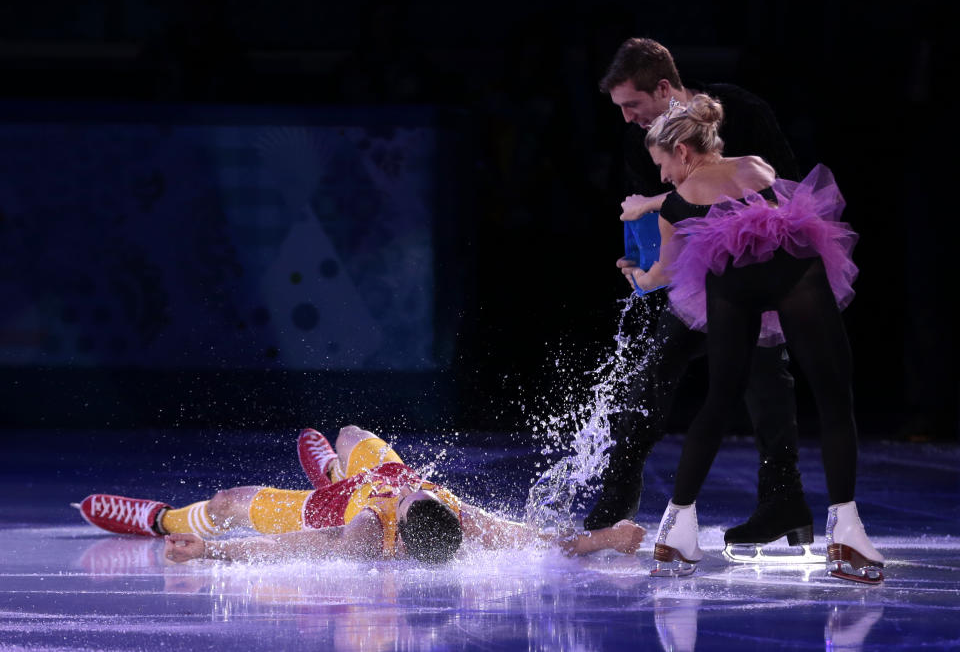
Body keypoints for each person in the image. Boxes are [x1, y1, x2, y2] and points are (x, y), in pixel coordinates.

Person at [633, 95, 882, 584]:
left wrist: (636, 275)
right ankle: (847, 535)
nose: (662, 177)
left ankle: (676, 531)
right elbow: (751, 197)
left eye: (662, 164)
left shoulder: (677, 204)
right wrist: (654, 200)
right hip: (791, 271)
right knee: (833, 398)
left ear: (682, 152)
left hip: (731, 281)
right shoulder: (754, 165)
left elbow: (661, 273)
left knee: (720, 398)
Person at [588, 38, 813, 564]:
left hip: (755, 274)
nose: (627, 118)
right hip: (694, 280)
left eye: (633, 105)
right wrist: (644, 268)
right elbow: (661, 222)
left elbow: (783, 191)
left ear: (664, 89)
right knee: (652, 374)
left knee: (766, 380)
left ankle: (785, 502)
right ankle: (617, 500)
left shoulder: (744, 112)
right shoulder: (636, 143)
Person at [74, 426, 646, 564]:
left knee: (227, 500)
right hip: (372, 477)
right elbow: (547, 543)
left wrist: (211, 551)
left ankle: (161, 518)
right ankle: (332, 468)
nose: (416, 493)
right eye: (426, 495)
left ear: (397, 518)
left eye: (410, 499)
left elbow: (294, 547)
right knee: (350, 434)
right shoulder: (451, 512)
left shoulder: (364, 531)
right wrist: (613, 537)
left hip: (340, 502)